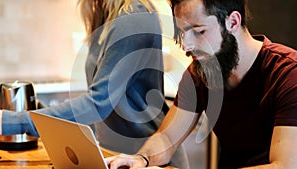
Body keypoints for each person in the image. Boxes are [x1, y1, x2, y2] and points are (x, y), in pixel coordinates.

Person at [0, 0, 189, 168]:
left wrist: (11, 121)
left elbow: (97, 104)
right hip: (114, 157)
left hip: (148, 159)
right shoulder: (104, 16)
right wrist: (37, 113)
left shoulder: (134, 17)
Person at [106, 0, 297, 168]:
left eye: (199, 31)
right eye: (183, 32)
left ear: (233, 22)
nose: (187, 46)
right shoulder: (200, 73)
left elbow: (284, 166)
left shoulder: (289, 74)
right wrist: (141, 159)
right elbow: (167, 138)